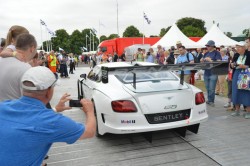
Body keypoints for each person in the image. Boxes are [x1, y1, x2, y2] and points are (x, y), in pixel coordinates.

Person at [0, 66, 96, 165]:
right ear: (49, 91)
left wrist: (56, 109)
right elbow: (89, 131)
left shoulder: (3, 106)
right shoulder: (52, 122)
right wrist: (90, 111)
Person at [0, 33, 37, 101]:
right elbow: (30, 102)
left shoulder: (1, 59)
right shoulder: (27, 69)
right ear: (32, 48)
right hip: (14, 110)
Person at [231, 41, 250, 118]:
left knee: (245, 92)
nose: (237, 49)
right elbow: (233, 65)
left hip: (246, 74)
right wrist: (232, 65)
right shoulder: (236, 55)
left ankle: (248, 112)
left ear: (244, 48)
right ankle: (237, 110)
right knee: (235, 91)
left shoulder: (249, 54)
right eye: (237, 47)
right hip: (236, 74)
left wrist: (245, 66)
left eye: (239, 47)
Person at [200, 40, 222, 107]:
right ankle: (209, 100)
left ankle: (211, 101)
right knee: (207, 88)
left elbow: (219, 61)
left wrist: (211, 60)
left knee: (212, 88)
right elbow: (203, 61)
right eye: (206, 46)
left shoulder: (217, 53)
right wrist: (202, 60)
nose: (207, 47)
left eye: (208, 46)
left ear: (212, 46)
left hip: (213, 72)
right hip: (206, 72)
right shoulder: (206, 53)